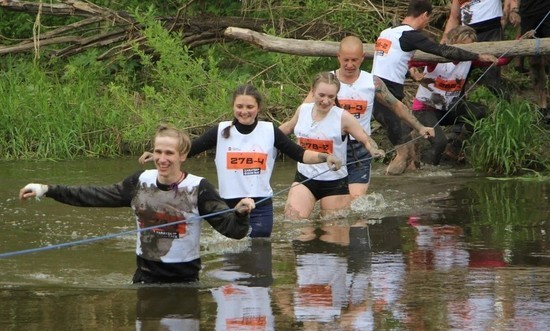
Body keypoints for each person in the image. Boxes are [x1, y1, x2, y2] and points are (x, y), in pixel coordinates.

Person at [19, 125, 256, 284]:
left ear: (182, 156)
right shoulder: (140, 182)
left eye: (169, 153)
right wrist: (47, 190)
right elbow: (94, 195)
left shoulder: (199, 188)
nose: (162, 159)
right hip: (145, 277)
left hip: (185, 282)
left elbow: (231, 230)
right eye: (158, 152)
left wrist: (241, 215)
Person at [139, 85, 342, 238]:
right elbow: (187, 150)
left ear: (258, 108)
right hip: (228, 206)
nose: (244, 111)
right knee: (231, 265)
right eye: (240, 106)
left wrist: (325, 158)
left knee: (259, 255)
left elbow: (300, 154)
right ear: (233, 107)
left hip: (261, 206)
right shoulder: (220, 131)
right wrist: (157, 156)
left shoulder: (270, 131)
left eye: (249, 107)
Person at [371, 0, 497, 175]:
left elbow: (391, 64)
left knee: (411, 152)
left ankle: (411, 185)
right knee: (404, 153)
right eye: (428, 20)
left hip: (383, 91)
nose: (427, 24)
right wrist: (477, 55)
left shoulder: (387, 33)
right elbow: (442, 50)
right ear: (424, 15)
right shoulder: (410, 35)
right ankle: (391, 188)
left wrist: (411, 72)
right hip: (385, 95)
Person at [303, 35, 435, 197]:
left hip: (361, 148)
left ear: (362, 59)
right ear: (338, 57)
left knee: (355, 200)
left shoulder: (372, 83)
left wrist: (420, 127)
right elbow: (304, 111)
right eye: (346, 60)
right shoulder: (326, 82)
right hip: (331, 147)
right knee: (329, 199)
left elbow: (397, 106)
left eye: (354, 60)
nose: (350, 65)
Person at [278, 72, 385, 220]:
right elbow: (287, 128)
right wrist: (264, 136)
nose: (325, 101)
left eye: (331, 97)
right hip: (304, 179)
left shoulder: (343, 117)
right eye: (321, 95)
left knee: (333, 234)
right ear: (313, 91)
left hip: (334, 184)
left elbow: (365, 138)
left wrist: (373, 149)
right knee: (293, 223)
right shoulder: (302, 110)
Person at [408, 25, 511, 165]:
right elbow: (410, 60)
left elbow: (500, 61)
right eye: (462, 47)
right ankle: (427, 171)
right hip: (425, 109)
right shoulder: (436, 56)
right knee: (439, 142)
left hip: (449, 109)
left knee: (480, 112)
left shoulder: (471, 59)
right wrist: (413, 70)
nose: (465, 52)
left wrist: (519, 42)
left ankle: (455, 147)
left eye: (470, 48)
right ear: (453, 43)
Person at [442, 0, 511, 97]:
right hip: (466, 35)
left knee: (491, 74)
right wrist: (444, 39)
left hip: (490, 29)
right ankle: (457, 105)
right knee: (461, 73)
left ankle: (504, 103)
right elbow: (454, 17)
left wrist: (512, 9)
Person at [508, 0, 550, 122]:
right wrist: (514, 10)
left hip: (547, 10)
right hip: (528, 14)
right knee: (534, 61)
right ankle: (542, 106)